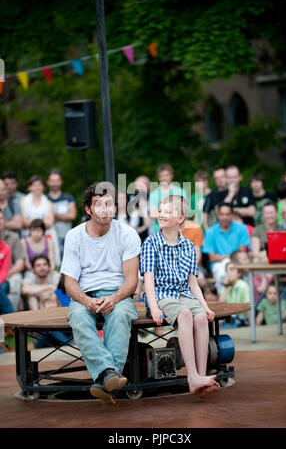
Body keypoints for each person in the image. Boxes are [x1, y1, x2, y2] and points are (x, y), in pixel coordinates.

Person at [60, 182, 141, 405]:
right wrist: (85, 300)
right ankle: (109, 374)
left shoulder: (127, 234)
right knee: (78, 316)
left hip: (118, 292)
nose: (105, 209)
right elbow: (70, 283)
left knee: (120, 314)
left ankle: (105, 378)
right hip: (85, 293)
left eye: (109, 204)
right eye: (99, 204)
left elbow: (131, 280)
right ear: (88, 209)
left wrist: (114, 298)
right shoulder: (74, 236)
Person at [140, 194, 220, 398]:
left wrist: (205, 306)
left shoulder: (188, 246)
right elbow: (148, 280)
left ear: (180, 218)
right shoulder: (151, 243)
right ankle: (192, 376)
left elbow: (192, 283)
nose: (162, 214)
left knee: (201, 317)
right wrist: (154, 307)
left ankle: (202, 377)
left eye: (168, 212)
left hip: (183, 293)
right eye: (161, 210)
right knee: (184, 315)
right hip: (160, 295)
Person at [202, 203, 252, 294]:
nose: (224, 217)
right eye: (222, 214)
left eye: (227, 214)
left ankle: (247, 303)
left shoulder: (241, 228)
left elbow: (242, 252)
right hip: (219, 264)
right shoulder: (211, 232)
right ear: (218, 215)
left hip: (237, 262)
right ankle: (225, 303)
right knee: (222, 274)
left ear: (232, 215)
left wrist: (223, 257)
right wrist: (231, 256)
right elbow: (212, 258)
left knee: (246, 274)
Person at [20, 175, 60, 266]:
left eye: (39, 185)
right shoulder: (23, 201)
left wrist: (32, 220)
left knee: (48, 259)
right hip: (29, 235)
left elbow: (50, 222)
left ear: (43, 187)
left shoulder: (48, 202)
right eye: (34, 185)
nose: (37, 187)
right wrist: (42, 221)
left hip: (46, 234)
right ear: (29, 187)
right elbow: (24, 222)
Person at [46, 169, 77, 260]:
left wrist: (54, 216)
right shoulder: (44, 198)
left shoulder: (68, 197)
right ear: (48, 182)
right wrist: (63, 216)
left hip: (66, 237)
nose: (55, 183)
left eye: (57, 180)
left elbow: (72, 215)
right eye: (52, 181)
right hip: (49, 237)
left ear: (61, 181)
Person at [148, 164, 188, 233]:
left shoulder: (180, 191)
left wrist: (162, 214)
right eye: (161, 176)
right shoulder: (154, 194)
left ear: (171, 176)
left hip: (178, 230)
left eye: (166, 175)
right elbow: (153, 214)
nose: (163, 178)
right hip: (158, 231)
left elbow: (185, 211)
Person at [0, 209, 25, 311]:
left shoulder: (13, 237)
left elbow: (20, 262)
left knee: (15, 280)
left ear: (5, 221)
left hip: (10, 273)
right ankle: (11, 317)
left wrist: (6, 275)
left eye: (1, 218)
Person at [220, 262, 250, 327]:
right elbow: (220, 305)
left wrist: (251, 325)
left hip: (240, 319)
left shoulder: (242, 285)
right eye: (226, 271)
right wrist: (225, 287)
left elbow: (248, 308)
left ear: (239, 273)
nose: (228, 273)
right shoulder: (227, 287)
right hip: (229, 319)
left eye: (231, 270)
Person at [182, 219, 206, 287]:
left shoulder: (194, 228)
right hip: (172, 267)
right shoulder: (167, 229)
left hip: (193, 267)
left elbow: (197, 255)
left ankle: (203, 297)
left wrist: (187, 270)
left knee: (200, 278)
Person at [0, 221, 13, 315]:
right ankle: (11, 317)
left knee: (3, 287)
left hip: (2, 280)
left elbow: (4, 271)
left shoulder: (6, 248)